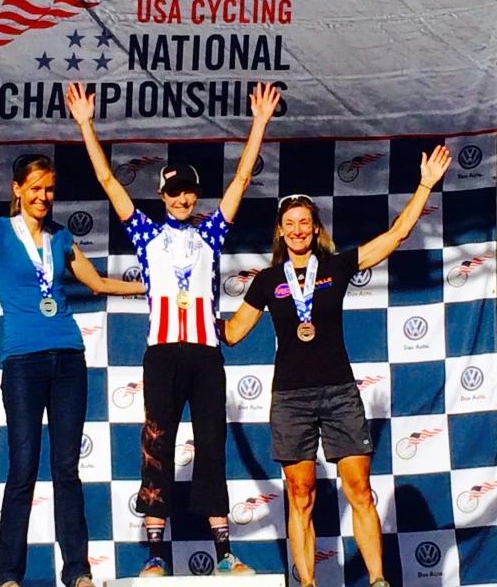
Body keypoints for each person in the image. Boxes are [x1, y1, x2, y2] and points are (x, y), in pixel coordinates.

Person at [66, 82, 281, 577]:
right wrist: (85, 125)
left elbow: (243, 178)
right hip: (162, 352)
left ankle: (225, 551)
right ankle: (156, 555)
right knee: (158, 444)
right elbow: (107, 181)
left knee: (210, 443)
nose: (183, 198)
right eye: (173, 191)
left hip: (206, 352)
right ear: (161, 195)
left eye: (189, 191)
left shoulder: (212, 231)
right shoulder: (145, 233)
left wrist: (260, 124)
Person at [220, 146, 452, 587]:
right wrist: (181, 313)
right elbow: (231, 333)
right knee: (300, 495)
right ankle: (307, 584)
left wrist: (424, 184)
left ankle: (379, 581)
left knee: (359, 491)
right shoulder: (268, 281)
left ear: (315, 228)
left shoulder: (336, 266)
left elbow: (395, 236)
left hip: (340, 392)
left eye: (304, 222)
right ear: (280, 232)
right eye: (289, 224)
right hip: (290, 398)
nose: (297, 230)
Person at [0, 122, 145, 587]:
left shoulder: (60, 237)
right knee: (23, 469)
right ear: (17, 190)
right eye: (35, 188)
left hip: (69, 358)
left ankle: (78, 572)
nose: (43, 196)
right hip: (23, 362)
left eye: (49, 189)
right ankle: (9, 575)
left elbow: (97, 283)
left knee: (67, 470)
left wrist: (154, 287)